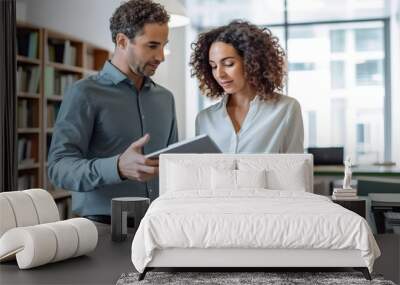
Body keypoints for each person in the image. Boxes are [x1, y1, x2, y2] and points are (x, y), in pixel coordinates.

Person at [47, 0, 178, 222]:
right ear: (122, 41)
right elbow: (59, 168)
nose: (161, 57)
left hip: (159, 223)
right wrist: (116, 167)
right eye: (152, 45)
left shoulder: (165, 98)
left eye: (164, 46)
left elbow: (172, 163)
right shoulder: (84, 93)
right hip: (103, 229)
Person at [191, 20, 304, 153]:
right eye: (213, 66)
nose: (219, 74)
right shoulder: (205, 119)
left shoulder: (286, 109)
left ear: (251, 61)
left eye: (228, 64)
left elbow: (295, 168)